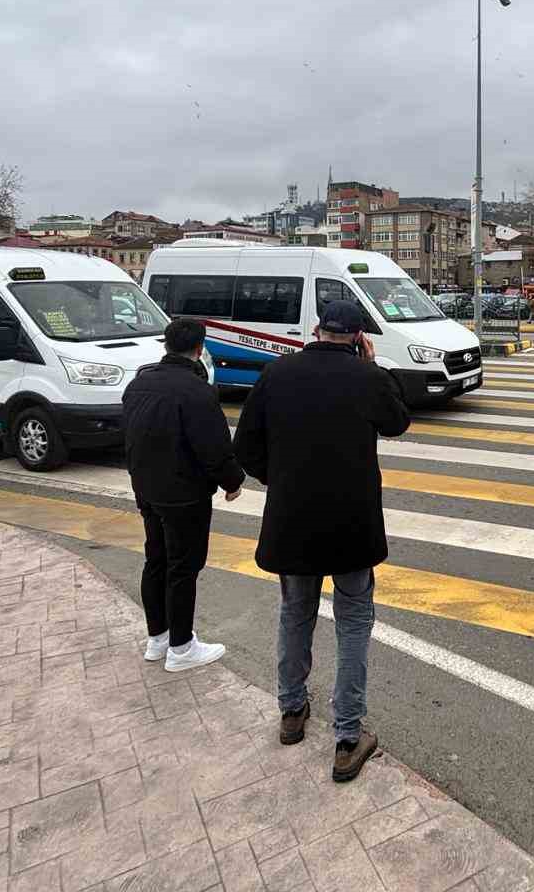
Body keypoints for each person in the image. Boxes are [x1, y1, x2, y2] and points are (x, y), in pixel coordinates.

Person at [237, 299, 411, 783]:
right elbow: (397, 422)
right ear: (358, 338)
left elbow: (245, 446)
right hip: (351, 525)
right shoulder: (367, 377)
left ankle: (292, 712)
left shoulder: (277, 374)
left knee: (296, 614)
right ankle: (348, 738)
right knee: (353, 622)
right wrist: (374, 368)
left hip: (293, 522)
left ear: (316, 331)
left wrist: (279, 479)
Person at [123, 317, 245, 673]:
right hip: (184, 494)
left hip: (147, 488)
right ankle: (181, 647)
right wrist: (232, 481)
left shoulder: (139, 384)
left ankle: (157, 638)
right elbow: (214, 447)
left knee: (156, 560)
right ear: (199, 348)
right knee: (183, 568)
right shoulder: (197, 391)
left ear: (166, 345)